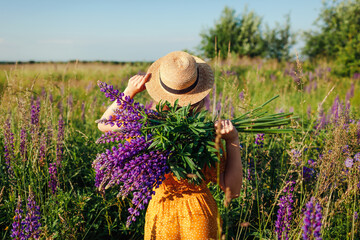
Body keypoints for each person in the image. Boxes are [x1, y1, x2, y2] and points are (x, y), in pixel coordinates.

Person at [98, 51, 243, 240]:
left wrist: (129, 92)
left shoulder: (145, 131)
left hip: (161, 212)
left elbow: (104, 123)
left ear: (158, 90)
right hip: (199, 215)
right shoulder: (206, 135)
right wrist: (233, 141)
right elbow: (233, 191)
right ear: (200, 96)